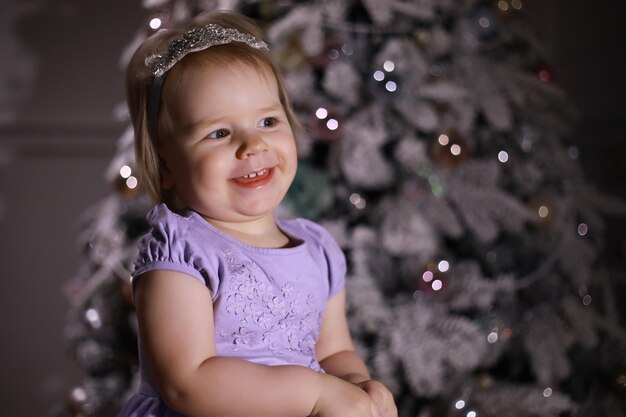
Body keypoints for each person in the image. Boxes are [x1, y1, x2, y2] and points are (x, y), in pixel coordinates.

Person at [118, 9, 397, 417]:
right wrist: (316, 394)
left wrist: (358, 389)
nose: (252, 145)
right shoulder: (180, 250)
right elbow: (187, 383)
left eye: (267, 120)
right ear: (166, 166)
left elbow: (335, 351)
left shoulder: (318, 248)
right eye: (219, 133)